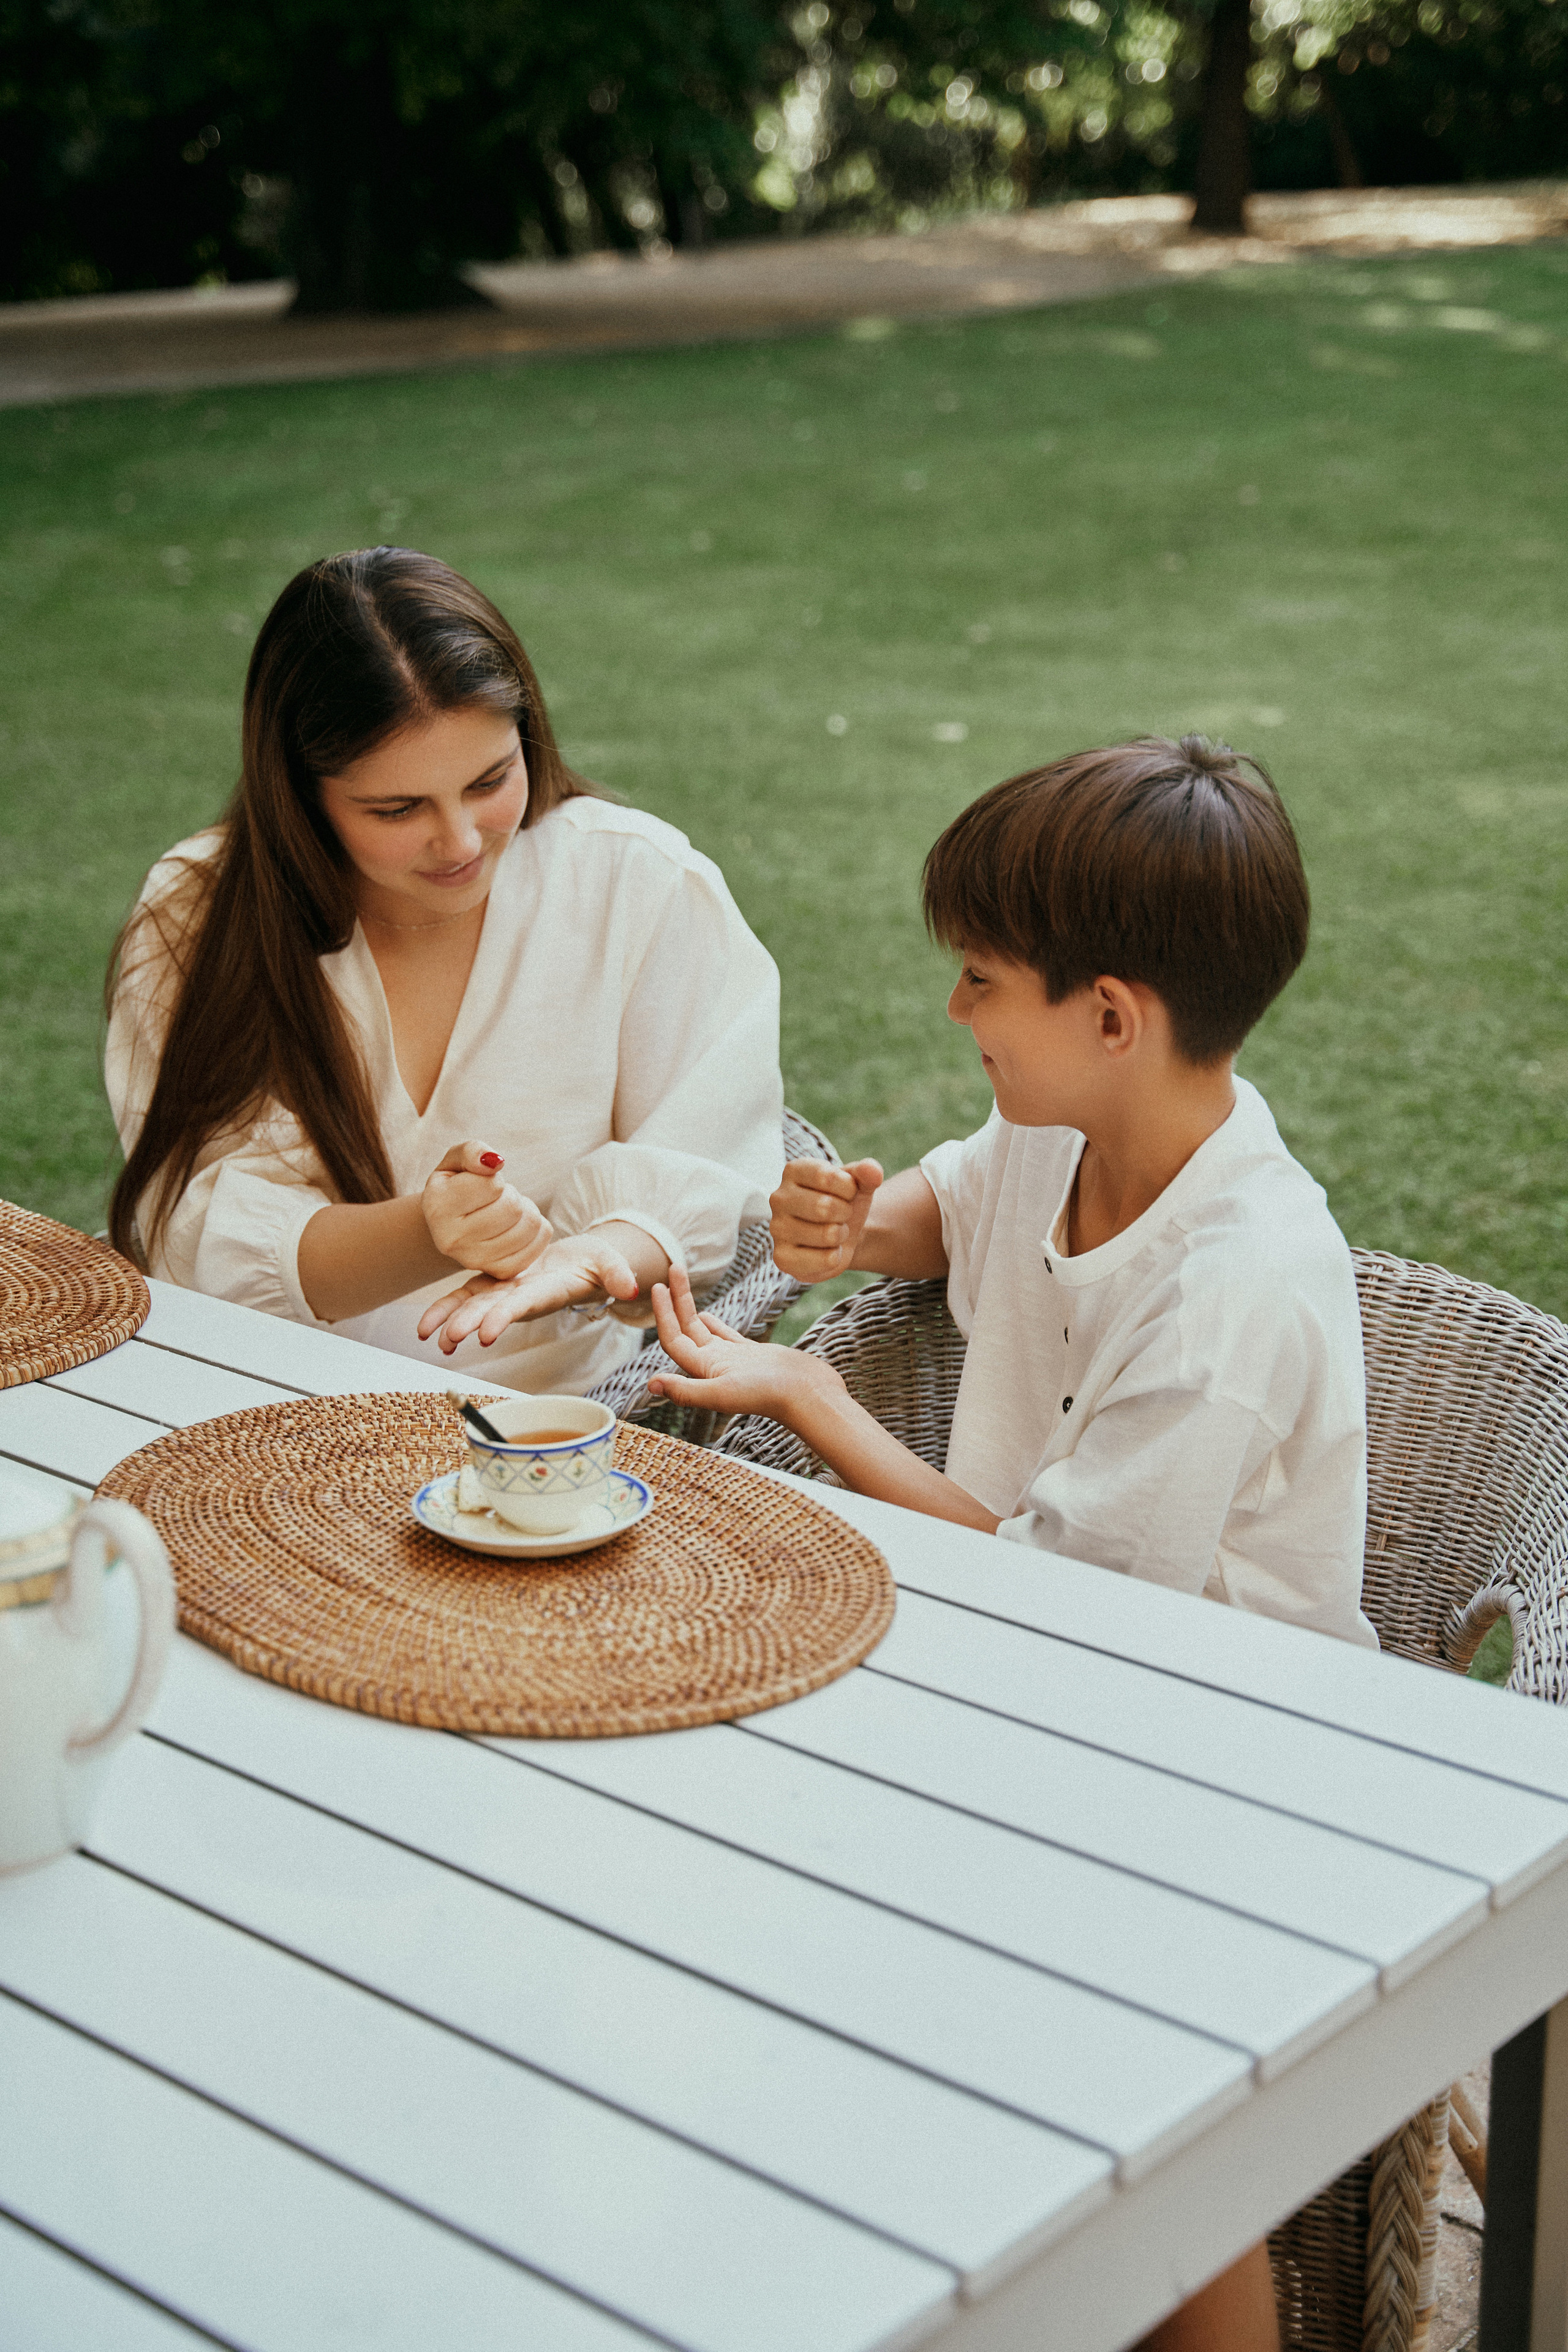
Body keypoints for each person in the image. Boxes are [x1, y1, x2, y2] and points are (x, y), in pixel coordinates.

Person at [647, 734, 1380, 2352]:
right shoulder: (1069, 1134)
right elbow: (953, 1208)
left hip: (1221, 1771)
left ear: (1109, 1015)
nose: (958, 1012)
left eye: (982, 981)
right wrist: (857, 1224)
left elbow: (1061, 1603)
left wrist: (810, 1401)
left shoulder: (1234, 1288)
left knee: (1126, 2090)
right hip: (1033, 1703)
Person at [105, 547, 783, 1395]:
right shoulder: (198, 915)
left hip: (555, 1414)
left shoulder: (634, 881)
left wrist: (590, 1255)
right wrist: (433, 1231)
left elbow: (704, 1162)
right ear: (300, 794)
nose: (461, 843)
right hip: (262, 1400)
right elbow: (198, 1233)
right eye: (397, 810)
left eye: (490, 778)